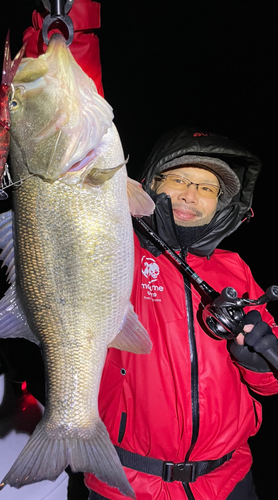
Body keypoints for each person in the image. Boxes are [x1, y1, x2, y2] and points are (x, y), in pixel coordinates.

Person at [84, 127, 278, 500]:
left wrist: (259, 365)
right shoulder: (113, 249)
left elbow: (271, 383)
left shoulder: (236, 268)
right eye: (179, 179)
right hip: (128, 484)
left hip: (230, 480)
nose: (192, 194)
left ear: (220, 203)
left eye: (207, 188)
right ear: (149, 183)